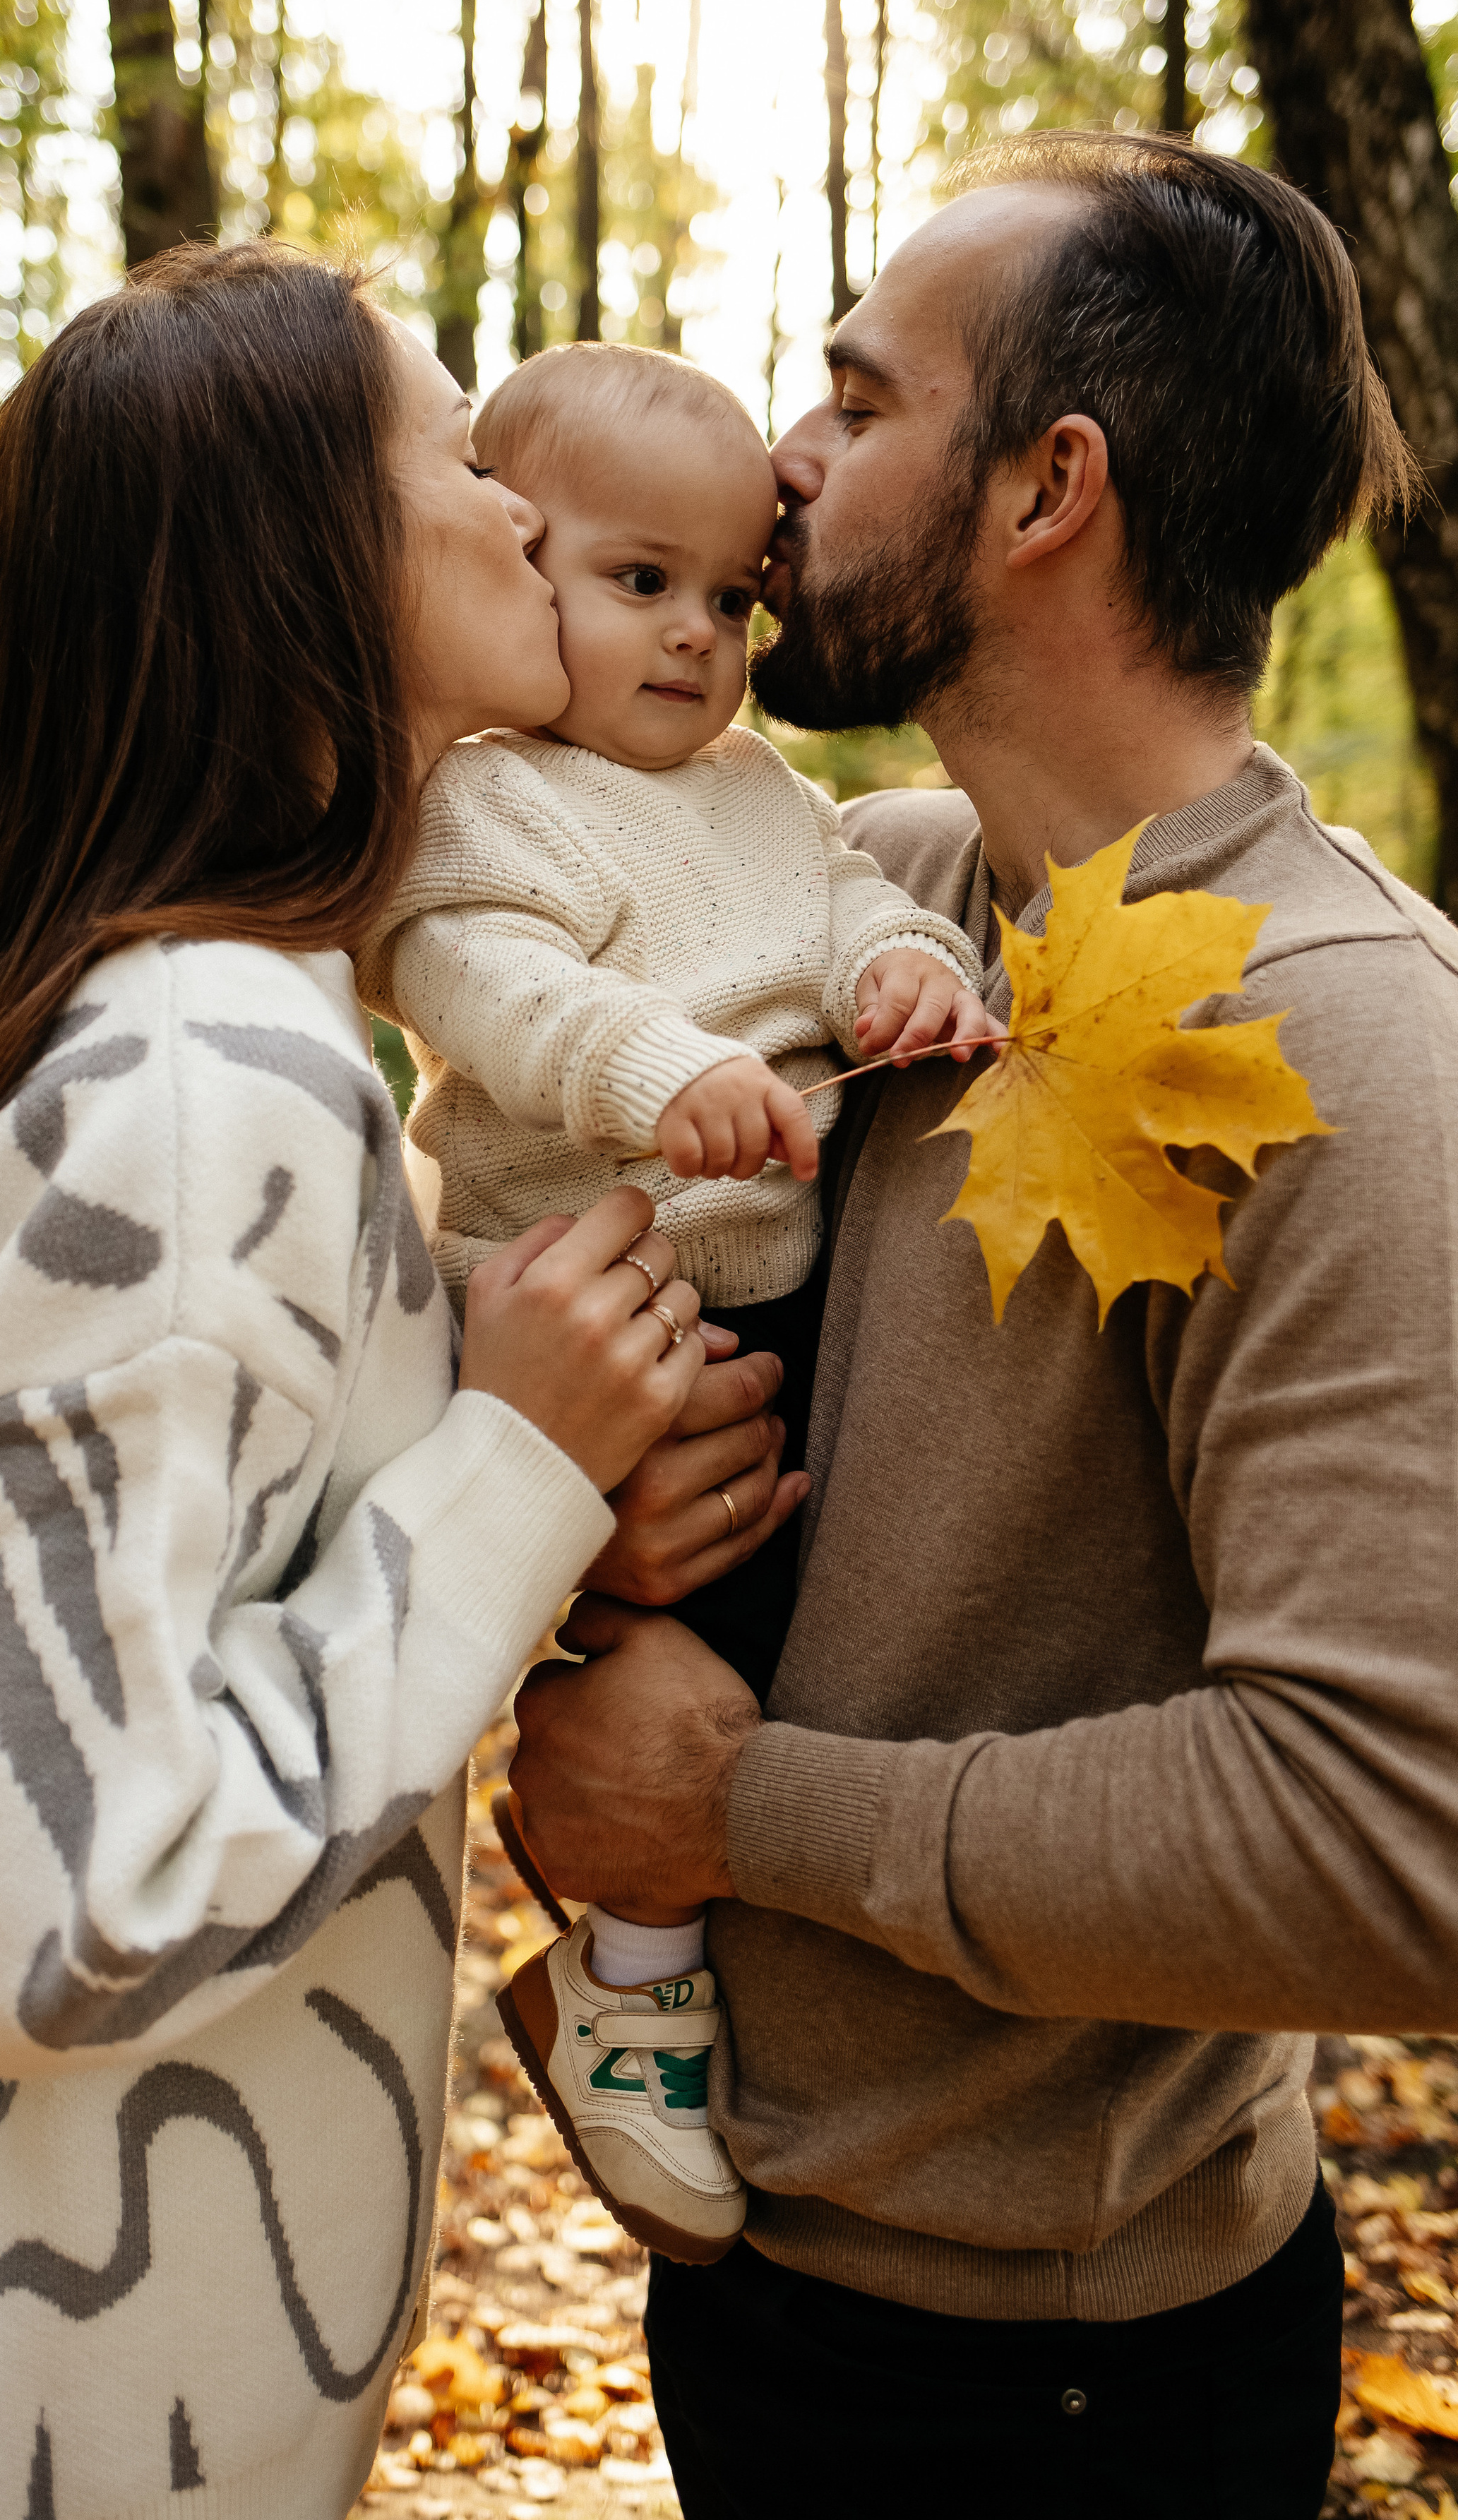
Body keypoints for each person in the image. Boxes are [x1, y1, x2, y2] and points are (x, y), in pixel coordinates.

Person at [0, 241, 742, 2520]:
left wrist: (543, 1465)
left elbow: (213, 1649)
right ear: (296, 560)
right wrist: (507, 1474)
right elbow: (77, 1904)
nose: (511, 505)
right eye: (445, 455)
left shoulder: (263, 1048)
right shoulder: (207, 1088)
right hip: (37, 2432)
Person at [506, 131, 1458, 2518]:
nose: (783, 458)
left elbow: (1397, 1845)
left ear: (1051, 487)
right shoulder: (877, 903)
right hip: (767, 2279)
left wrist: (736, 1809)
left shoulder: (1356, 1046)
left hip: (1060, 2387)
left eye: (853, 398)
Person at [354, 339, 992, 2270]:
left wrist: (900, 972)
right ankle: (632, 1990)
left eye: (733, 595)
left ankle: (720, 1967)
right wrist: (648, 1066)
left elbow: (848, 906)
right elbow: (467, 978)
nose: (700, 636)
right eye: (643, 582)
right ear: (520, 557)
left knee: (800, 1638)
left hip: (764, 1314)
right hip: (570, 1308)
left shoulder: (764, 795)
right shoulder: (491, 801)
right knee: (670, 1661)